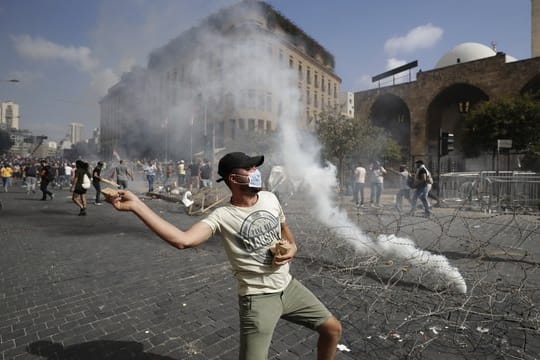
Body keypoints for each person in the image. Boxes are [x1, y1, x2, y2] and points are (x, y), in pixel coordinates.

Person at [105, 152, 342, 360]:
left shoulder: (270, 198)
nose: (256, 171)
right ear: (233, 178)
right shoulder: (222, 216)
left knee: (332, 329)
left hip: (289, 287)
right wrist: (137, 206)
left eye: (256, 167)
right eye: (249, 168)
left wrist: (293, 248)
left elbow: (285, 231)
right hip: (258, 299)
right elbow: (183, 240)